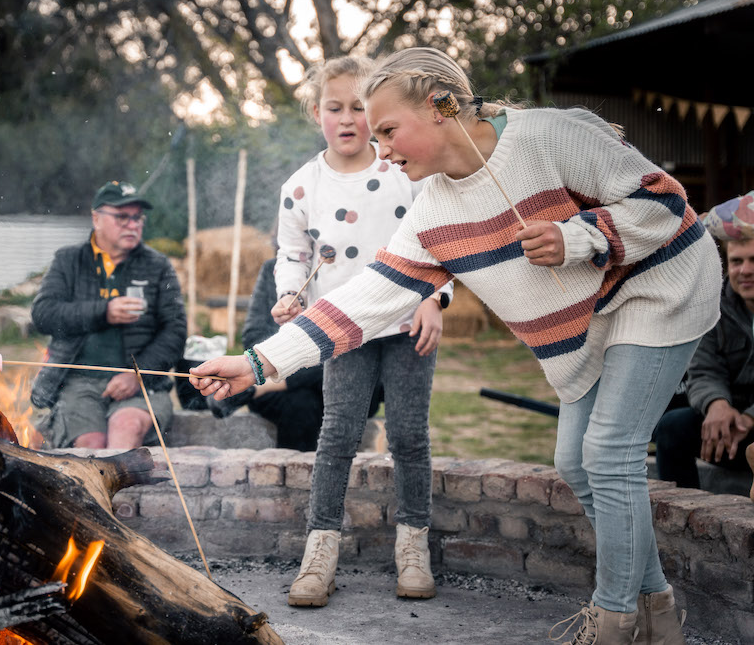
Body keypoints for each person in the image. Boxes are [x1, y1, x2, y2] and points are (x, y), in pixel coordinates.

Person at [190, 47, 722, 644]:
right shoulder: (434, 212)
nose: (381, 147)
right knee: (576, 462)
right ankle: (659, 614)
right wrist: (256, 361)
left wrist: (581, 235)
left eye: (389, 129)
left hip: (659, 284)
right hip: (589, 319)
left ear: (441, 107)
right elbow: (365, 300)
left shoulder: (548, 136)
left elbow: (665, 198)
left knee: (609, 452)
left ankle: (614, 621)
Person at [235, 55, 457, 609]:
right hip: (343, 327)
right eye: (335, 107)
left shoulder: (403, 170)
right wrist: (290, 292)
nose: (349, 118)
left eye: (360, 107)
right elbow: (292, 254)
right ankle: (320, 552)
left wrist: (438, 298)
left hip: (408, 323)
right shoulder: (301, 186)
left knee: (408, 436)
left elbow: (443, 238)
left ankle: (413, 547)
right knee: (337, 436)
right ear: (317, 113)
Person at [31, 181, 186, 450]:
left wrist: (137, 375)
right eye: (122, 217)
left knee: (126, 428)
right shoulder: (69, 260)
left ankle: (122, 494)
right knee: (89, 445)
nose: (133, 225)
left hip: (142, 383)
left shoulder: (158, 266)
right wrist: (104, 312)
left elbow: (175, 330)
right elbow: (43, 315)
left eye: (137, 218)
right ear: (96, 218)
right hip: (77, 380)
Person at [205, 256, 383, 451]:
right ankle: (292, 476)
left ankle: (256, 387)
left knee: (339, 364)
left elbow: (362, 346)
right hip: (287, 384)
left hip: (350, 382)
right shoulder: (273, 269)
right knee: (301, 404)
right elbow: (253, 336)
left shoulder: (358, 269)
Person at [654, 236, 754, 488]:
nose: (745, 270)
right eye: (736, 261)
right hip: (728, 424)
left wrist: (750, 417)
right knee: (672, 428)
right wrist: (716, 405)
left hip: (748, 421)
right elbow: (703, 367)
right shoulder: (712, 302)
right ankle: (682, 516)